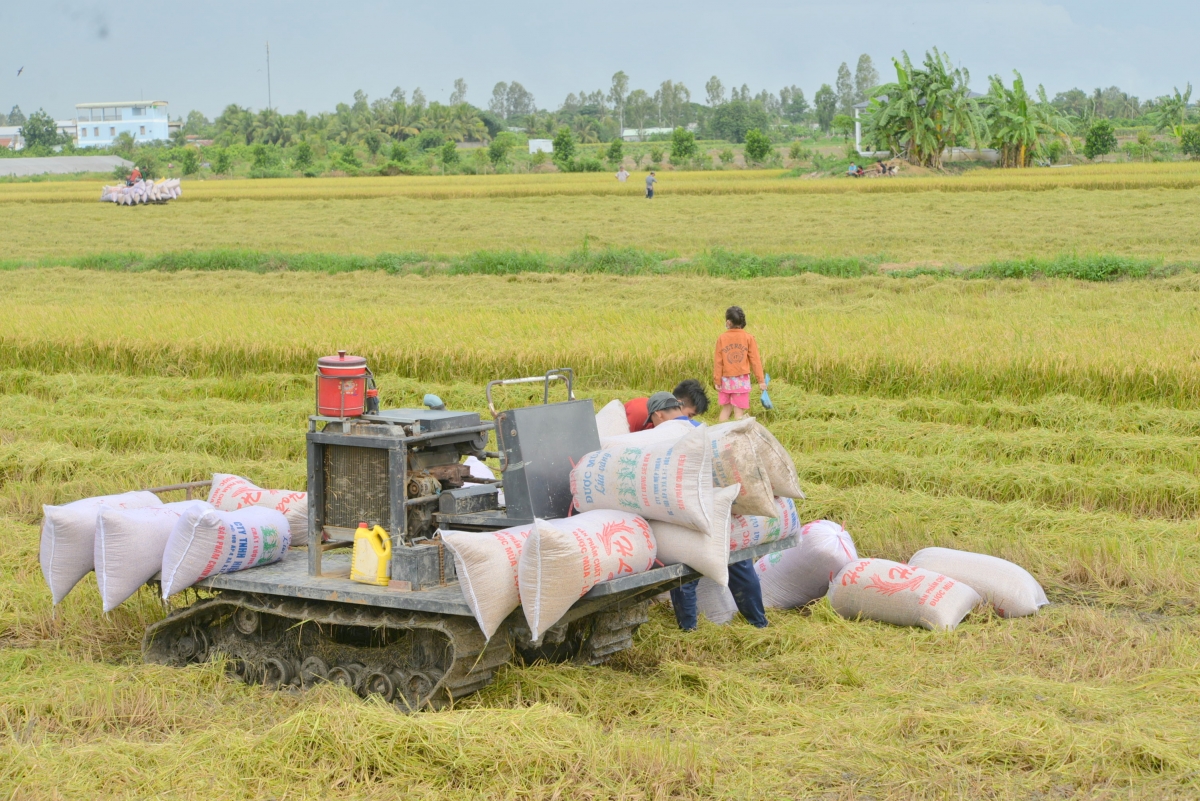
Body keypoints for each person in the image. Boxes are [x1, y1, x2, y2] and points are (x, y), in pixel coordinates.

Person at [670, 562, 768, 631]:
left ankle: (688, 630)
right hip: (729, 538)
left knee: (684, 579)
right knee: (740, 567)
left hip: (696, 543)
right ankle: (759, 623)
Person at [713, 305, 765, 422]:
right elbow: (755, 361)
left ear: (728, 322)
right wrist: (761, 381)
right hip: (741, 381)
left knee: (726, 409)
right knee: (738, 411)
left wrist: (717, 380)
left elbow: (718, 361)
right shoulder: (748, 338)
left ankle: (721, 435)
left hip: (725, 380)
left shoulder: (722, 338)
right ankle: (737, 437)